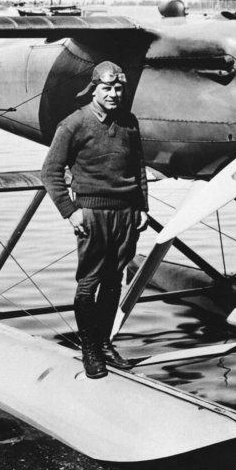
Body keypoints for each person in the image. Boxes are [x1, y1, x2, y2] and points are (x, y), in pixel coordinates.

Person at [41, 61, 149, 379]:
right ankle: (89, 349)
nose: (114, 93)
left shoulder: (128, 122)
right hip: (91, 214)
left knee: (114, 282)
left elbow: (138, 167)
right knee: (89, 283)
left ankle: (104, 344)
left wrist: (142, 206)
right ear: (94, 89)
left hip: (126, 214)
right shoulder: (74, 124)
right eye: (107, 88)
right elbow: (50, 172)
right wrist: (70, 211)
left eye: (118, 88)